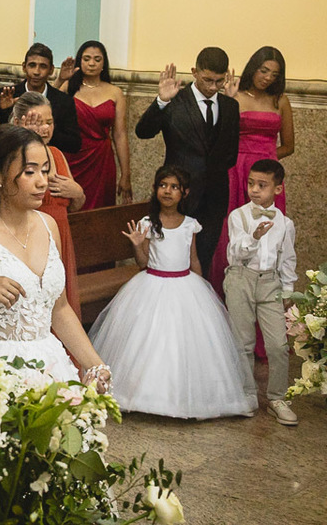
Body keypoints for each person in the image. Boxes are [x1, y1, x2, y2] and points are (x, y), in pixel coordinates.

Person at [89, 166, 255, 419]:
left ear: (184, 192)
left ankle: (193, 399)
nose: (168, 191)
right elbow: (144, 263)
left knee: (186, 345)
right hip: (152, 283)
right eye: (163, 185)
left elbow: (194, 259)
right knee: (148, 342)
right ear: (155, 189)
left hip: (185, 284)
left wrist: (202, 292)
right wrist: (136, 245)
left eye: (174, 187)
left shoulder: (190, 225)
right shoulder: (148, 223)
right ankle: (140, 395)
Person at [0, 125, 111, 390]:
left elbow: (59, 309)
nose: (42, 181)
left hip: (49, 362)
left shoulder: (48, 225)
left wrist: (94, 364)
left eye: (45, 170)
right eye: (29, 172)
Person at [135, 48, 240, 277]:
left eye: (219, 81)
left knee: (202, 259)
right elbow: (143, 132)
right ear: (194, 72)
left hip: (214, 198)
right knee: (171, 259)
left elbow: (231, 153)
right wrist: (161, 101)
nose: (213, 87)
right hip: (178, 196)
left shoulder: (231, 106)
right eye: (207, 80)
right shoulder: (175, 100)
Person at [211, 46, 294, 293]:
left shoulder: (281, 101)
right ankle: (226, 296)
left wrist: (267, 156)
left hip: (267, 174)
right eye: (263, 71)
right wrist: (225, 99)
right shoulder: (236, 95)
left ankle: (266, 297)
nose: (268, 77)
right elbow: (218, 136)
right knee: (232, 230)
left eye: (274, 74)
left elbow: (289, 145)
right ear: (253, 68)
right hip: (237, 171)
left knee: (269, 233)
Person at [225, 159, 299, 425]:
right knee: (243, 342)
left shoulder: (285, 223)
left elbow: (288, 258)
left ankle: (278, 397)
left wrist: (288, 289)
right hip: (240, 279)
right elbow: (233, 253)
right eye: (250, 184)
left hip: (270, 283)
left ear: (278, 189)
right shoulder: (239, 216)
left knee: (278, 345)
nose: (254, 190)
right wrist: (254, 237)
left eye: (262, 185)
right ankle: (247, 394)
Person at [12, 93, 84, 312]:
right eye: (38, 122)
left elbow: (74, 205)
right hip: (31, 238)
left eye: (49, 122)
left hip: (61, 237)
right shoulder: (16, 155)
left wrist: (78, 193)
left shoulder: (57, 154)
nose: (45, 128)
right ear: (21, 123)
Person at [62, 41, 132, 209]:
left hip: (102, 159)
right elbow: (49, 109)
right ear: (80, 61)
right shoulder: (68, 87)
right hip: (73, 158)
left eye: (97, 59)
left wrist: (126, 174)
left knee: (100, 210)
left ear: (103, 64)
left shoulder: (115, 92)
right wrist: (60, 79)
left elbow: (120, 134)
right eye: (86, 59)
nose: (91, 63)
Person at [0, 43, 81, 154]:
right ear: (24, 67)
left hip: (48, 160)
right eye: (32, 65)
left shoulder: (64, 101)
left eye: (43, 66)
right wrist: (0, 109)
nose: (36, 72)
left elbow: (75, 144)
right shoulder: (6, 94)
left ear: (51, 70)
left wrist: (46, 129)